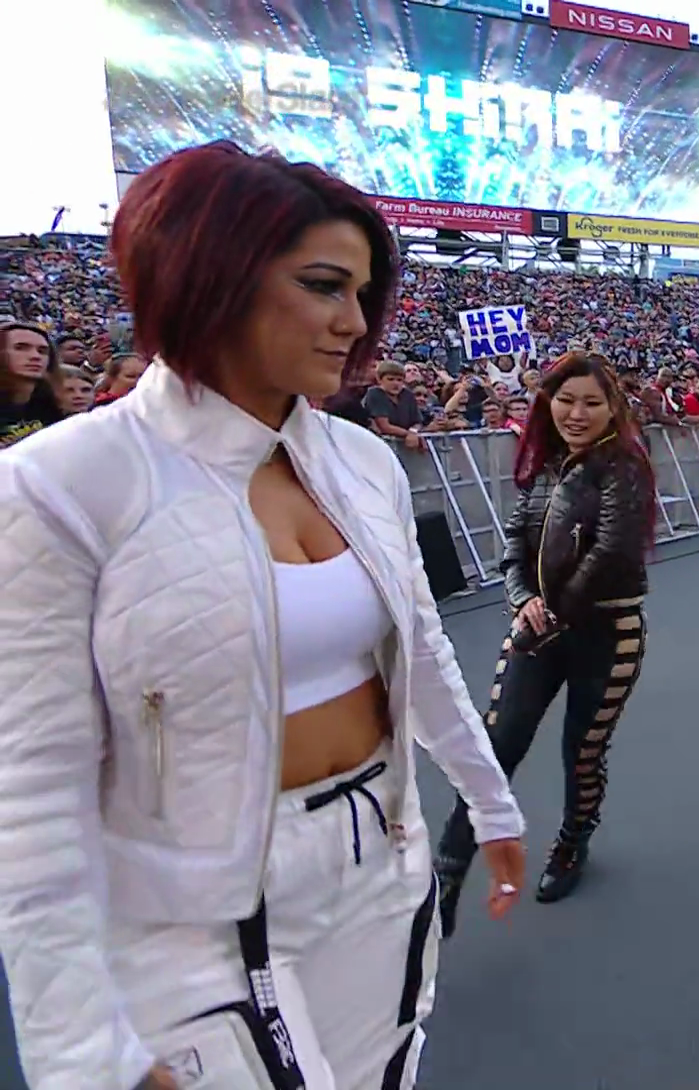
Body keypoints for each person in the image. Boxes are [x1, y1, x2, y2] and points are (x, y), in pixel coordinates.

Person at [0, 140, 526, 1090]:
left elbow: (420, 650)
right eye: (323, 286)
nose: (353, 322)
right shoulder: (61, 483)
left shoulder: (362, 463)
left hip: (382, 862)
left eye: (362, 293)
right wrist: (80, 1051)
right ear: (211, 275)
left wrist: (488, 800)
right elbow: (33, 785)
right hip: (193, 913)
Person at [436, 351, 657, 934]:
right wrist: (522, 601)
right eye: (565, 400)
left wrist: (551, 609)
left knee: (582, 753)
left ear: (612, 407)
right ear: (547, 402)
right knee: (496, 745)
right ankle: (448, 872)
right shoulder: (547, 465)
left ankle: (573, 842)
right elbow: (514, 546)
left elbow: (611, 553)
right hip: (538, 629)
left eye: (591, 402)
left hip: (608, 631)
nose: (576, 413)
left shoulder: (625, 465)